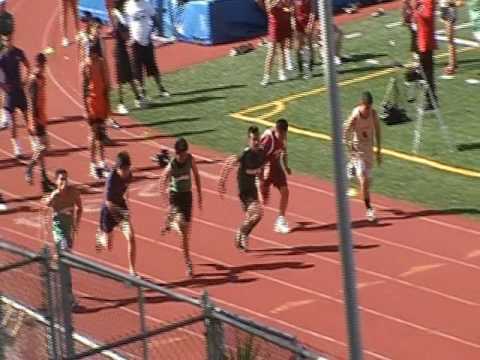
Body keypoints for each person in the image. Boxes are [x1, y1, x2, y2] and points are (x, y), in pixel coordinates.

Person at [159, 138, 202, 277]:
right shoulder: (172, 165)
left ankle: (171, 224)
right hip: (175, 197)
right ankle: (188, 263)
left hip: (187, 197)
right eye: (181, 154)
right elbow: (162, 180)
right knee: (184, 230)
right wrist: (166, 201)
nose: (183, 156)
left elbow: (196, 175)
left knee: (186, 233)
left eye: (184, 153)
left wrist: (200, 195)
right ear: (176, 153)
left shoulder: (190, 159)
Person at [218, 126, 265, 251]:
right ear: (248, 140)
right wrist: (222, 181)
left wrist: (262, 181)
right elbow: (229, 163)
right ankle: (241, 232)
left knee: (252, 217)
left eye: (257, 139)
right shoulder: (245, 154)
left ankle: (243, 236)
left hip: (253, 189)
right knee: (257, 214)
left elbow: (262, 168)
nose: (256, 142)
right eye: (253, 139)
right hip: (244, 191)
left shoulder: (261, 153)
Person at [96, 151, 137, 276]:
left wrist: (127, 207)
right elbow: (108, 203)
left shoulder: (129, 175)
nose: (126, 172)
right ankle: (100, 235)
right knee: (108, 246)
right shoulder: (111, 180)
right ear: (117, 168)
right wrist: (119, 213)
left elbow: (126, 190)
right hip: (108, 210)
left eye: (128, 169)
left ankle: (132, 271)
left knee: (131, 237)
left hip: (120, 206)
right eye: (124, 170)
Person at [343, 91, 382, 222]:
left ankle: (351, 168)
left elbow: (378, 132)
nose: (368, 110)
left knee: (368, 182)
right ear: (362, 104)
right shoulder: (356, 115)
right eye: (366, 107)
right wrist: (349, 146)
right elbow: (346, 130)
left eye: (370, 107)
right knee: (363, 180)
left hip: (368, 150)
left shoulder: (374, 114)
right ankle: (369, 209)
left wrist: (379, 151)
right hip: (358, 149)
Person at [81, 19, 111, 179]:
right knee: (93, 135)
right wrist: (85, 109)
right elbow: (83, 88)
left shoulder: (99, 63)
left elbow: (105, 85)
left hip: (100, 102)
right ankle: (93, 164)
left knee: (101, 134)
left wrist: (107, 104)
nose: (92, 56)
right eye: (91, 54)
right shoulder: (85, 66)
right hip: (91, 103)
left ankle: (102, 162)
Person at [124, 0, 170, 101]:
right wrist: (129, 38)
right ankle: (142, 91)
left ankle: (161, 88)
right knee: (137, 68)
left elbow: (155, 18)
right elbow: (126, 24)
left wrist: (155, 33)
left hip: (147, 41)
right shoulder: (128, 6)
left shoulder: (146, 4)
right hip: (135, 42)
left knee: (152, 65)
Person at [25, 53, 55, 193]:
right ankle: (30, 167)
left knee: (44, 149)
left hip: (41, 117)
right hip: (35, 119)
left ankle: (44, 180)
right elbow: (31, 103)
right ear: (38, 65)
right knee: (43, 148)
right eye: (41, 65)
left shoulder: (41, 79)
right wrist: (34, 120)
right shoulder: (33, 81)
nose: (43, 68)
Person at [110, 0, 144, 115]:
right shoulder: (120, 21)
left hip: (123, 51)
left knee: (130, 77)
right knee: (121, 79)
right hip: (120, 52)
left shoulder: (122, 18)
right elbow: (125, 36)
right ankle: (121, 103)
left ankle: (138, 98)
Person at [0, 35, 30, 159]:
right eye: (6, 40)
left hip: (20, 90)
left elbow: (28, 65)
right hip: (10, 92)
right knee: (13, 121)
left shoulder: (19, 52)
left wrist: (26, 79)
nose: (8, 42)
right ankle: (17, 148)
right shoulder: (2, 56)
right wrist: (3, 86)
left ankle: (34, 141)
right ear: (3, 42)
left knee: (27, 116)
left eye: (10, 39)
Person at [260, 118, 291, 234]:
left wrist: (286, 166)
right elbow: (258, 158)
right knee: (262, 201)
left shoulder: (283, 138)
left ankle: (280, 220)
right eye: (281, 134)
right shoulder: (268, 141)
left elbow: (284, 152)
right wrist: (262, 174)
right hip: (265, 167)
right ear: (276, 130)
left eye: (284, 134)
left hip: (276, 166)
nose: (283, 137)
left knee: (285, 191)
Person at [45, 169, 83, 254]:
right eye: (62, 179)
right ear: (56, 181)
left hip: (69, 228)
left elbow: (80, 208)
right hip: (58, 229)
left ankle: (58, 263)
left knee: (67, 251)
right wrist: (46, 225)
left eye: (65, 179)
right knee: (63, 248)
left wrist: (76, 224)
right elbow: (45, 208)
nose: (64, 182)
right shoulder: (55, 196)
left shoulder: (73, 193)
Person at [261, 0, 293, 86]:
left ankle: (282, 72)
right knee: (271, 51)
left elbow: (289, 7)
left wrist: (287, 7)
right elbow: (269, 9)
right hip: (274, 25)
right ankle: (266, 76)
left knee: (281, 49)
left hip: (283, 23)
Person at [412, 0, 437, 111]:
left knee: (426, 73)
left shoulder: (428, 1)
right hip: (421, 40)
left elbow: (428, 15)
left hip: (426, 42)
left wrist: (417, 12)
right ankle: (429, 99)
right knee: (424, 72)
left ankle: (431, 100)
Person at [293, 0, 315, 79]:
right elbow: (292, 10)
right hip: (298, 23)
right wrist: (293, 23)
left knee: (309, 46)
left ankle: (310, 70)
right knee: (297, 48)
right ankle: (301, 71)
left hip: (307, 22)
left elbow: (313, 12)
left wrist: (310, 24)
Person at [439, 0, 458, 74]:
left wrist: (450, 3)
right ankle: (453, 63)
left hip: (449, 9)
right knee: (449, 38)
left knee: (450, 38)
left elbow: (460, 3)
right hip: (443, 8)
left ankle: (452, 65)